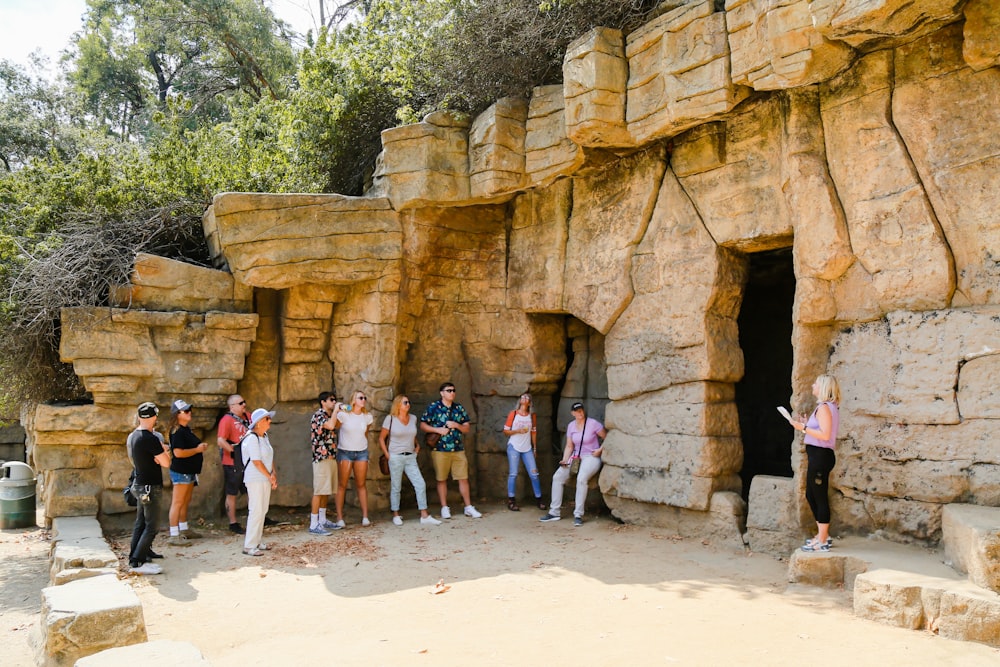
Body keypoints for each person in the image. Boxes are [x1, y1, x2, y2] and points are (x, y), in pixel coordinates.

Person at [791, 374, 841, 553]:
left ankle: (823, 540)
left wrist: (803, 428)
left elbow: (826, 435)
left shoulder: (825, 408)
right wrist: (807, 426)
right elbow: (820, 431)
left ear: (824, 387)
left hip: (821, 457)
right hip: (818, 456)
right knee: (811, 496)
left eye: (816, 383)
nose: (813, 385)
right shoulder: (825, 407)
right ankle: (822, 536)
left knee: (819, 497)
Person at [420, 382, 482, 519]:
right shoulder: (433, 407)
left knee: (463, 478)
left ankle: (468, 507)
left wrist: (456, 425)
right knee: (441, 479)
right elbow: (423, 425)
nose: (452, 393)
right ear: (442, 393)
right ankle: (444, 507)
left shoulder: (458, 408)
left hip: (458, 448)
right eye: (449, 390)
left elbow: (467, 428)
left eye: (453, 390)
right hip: (440, 449)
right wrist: (437, 430)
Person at [540, 402, 607, 527]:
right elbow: (569, 446)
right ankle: (554, 512)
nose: (580, 413)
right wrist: (565, 459)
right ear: (573, 413)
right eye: (577, 411)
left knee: (581, 478)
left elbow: (607, 437)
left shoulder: (593, 423)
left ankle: (578, 514)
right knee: (558, 477)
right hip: (576, 456)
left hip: (591, 456)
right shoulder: (571, 426)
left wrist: (600, 450)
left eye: (581, 410)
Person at [378, 395, 442, 526]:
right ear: (398, 405)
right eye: (405, 402)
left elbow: (411, 434)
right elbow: (381, 438)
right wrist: (387, 454)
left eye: (408, 402)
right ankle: (396, 514)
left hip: (410, 456)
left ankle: (424, 515)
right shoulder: (390, 419)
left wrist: (417, 445)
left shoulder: (413, 418)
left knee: (420, 483)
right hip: (395, 456)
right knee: (396, 486)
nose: (408, 404)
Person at [127, 402, 171, 574]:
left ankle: (136, 557)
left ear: (139, 417)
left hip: (139, 485)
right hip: (150, 487)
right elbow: (166, 463)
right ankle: (137, 562)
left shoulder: (134, 436)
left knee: (141, 523)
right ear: (154, 417)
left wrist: (158, 455)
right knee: (151, 526)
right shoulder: (151, 438)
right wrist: (162, 452)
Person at [166, 399, 208, 547]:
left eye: (189, 410)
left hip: (189, 471)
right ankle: (173, 534)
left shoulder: (185, 429)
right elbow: (178, 453)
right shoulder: (177, 431)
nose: (190, 413)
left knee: (185, 500)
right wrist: (197, 449)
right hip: (181, 471)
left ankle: (183, 529)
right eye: (186, 411)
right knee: (178, 502)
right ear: (177, 414)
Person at [333, 390, 374, 528]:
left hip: (361, 452)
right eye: (360, 398)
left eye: (365, 398)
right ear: (354, 400)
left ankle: (365, 516)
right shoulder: (344, 415)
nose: (363, 400)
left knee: (361, 484)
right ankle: (339, 517)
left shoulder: (367, 417)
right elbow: (335, 427)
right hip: (345, 451)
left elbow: (365, 433)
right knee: (342, 484)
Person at [242, 408, 277, 556]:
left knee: (262, 510)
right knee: (256, 510)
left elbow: (269, 457)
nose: (270, 421)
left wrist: (273, 474)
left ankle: (256, 541)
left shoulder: (264, 436)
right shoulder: (251, 438)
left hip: (264, 477)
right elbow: (256, 462)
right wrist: (270, 476)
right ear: (259, 423)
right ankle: (249, 545)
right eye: (267, 419)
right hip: (255, 478)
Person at [308, 391, 341, 535]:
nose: (334, 402)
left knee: (326, 490)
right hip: (321, 457)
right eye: (331, 400)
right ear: (323, 402)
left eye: (335, 400)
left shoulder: (328, 415)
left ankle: (322, 519)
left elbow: (338, 424)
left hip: (331, 456)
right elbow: (331, 425)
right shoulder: (318, 416)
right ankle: (313, 523)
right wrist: (336, 412)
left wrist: (341, 412)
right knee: (319, 490)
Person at [503, 393, 544, 511]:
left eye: (527, 397)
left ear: (530, 403)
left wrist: (534, 448)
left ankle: (539, 499)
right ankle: (511, 500)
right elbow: (505, 431)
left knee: (534, 474)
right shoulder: (513, 414)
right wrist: (517, 431)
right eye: (522, 397)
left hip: (527, 448)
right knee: (513, 473)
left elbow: (534, 432)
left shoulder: (532, 416)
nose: (524, 398)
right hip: (514, 446)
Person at [217, 394, 250, 534]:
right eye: (240, 403)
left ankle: (257, 516)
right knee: (232, 492)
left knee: (251, 489)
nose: (244, 405)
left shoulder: (248, 416)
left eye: (244, 402)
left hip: (248, 461)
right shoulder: (226, 420)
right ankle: (233, 523)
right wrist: (234, 451)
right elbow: (221, 440)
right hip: (232, 462)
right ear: (232, 406)